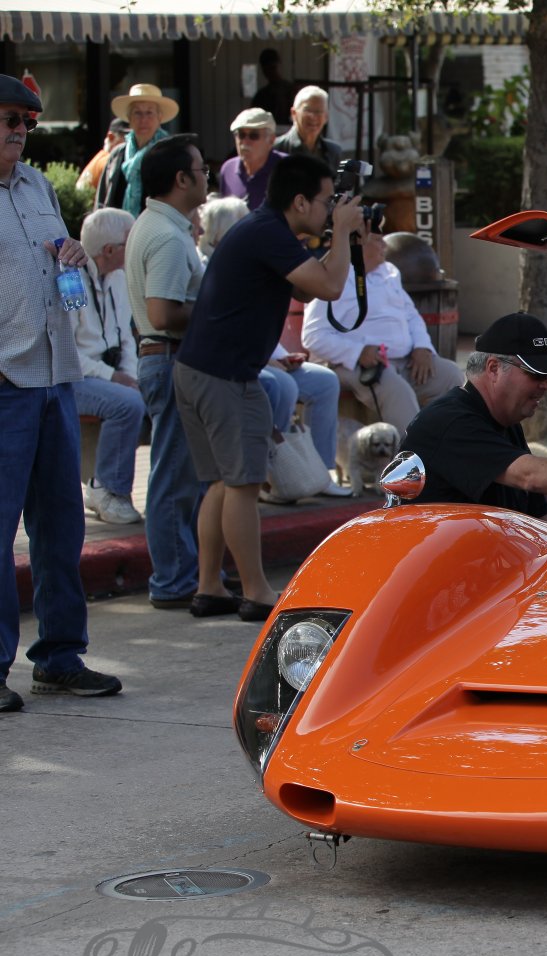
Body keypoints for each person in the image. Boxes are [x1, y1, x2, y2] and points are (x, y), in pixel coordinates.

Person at [172, 154, 362, 621]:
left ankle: (210, 586)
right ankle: (256, 591)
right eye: (326, 201)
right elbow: (330, 287)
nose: (329, 209)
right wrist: (342, 232)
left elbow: (306, 288)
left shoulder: (265, 230)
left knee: (222, 483)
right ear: (299, 202)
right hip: (227, 378)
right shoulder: (268, 233)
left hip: (199, 370)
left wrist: (337, 235)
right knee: (243, 485)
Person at [0, 73, 122, 714]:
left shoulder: (37, 187)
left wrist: (71, 250)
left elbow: (52, 255)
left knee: (60, 529)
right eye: (8, 119)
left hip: (53, 373)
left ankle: (59, 657)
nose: (20, 131)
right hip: (6, 380)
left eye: (27, 121)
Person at [401, 313, 547, 516]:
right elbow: (530, 476)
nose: (546, 385)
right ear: (494, 369)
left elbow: (540, 517)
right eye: (537, 374)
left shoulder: (507, 422)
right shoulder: (449, 422)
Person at [197, 195, 346, 495]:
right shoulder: (212, 265)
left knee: (324, 382)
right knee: (281, 386)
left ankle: (319, 472)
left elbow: (295, 297)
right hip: (235, 362)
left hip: (264, 355)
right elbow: (225, 328)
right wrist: (268, 359)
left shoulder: (257, 258)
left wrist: (282, 355)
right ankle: (272, 475)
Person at [126, 135, 210, 611]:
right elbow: (162, 313)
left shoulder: (161, 226)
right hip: (169, 357)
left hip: (165, 358)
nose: (206, 177)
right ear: (181, 179)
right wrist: (215, 308)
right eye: (201, 170)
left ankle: (185, 573)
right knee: (174, 477)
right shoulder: (166, 235)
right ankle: (174, 578)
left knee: (179, 474)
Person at [302, 217, 466, 431]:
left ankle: (451, 443)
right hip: (356, 365)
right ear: (358, 243)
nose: (385, 246)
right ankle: (413, 450)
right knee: (396, 390)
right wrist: (359, 352)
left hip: (406, 361)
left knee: (451, 375)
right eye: (378, 240)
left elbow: (411, 316)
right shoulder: (334, 278)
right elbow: (312, 336)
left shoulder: (389, 272)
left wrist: (422, 347)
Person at [72, 207, 146, 525]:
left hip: (107, 375)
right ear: (110, 250)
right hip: (76, 377)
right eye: (131, 242)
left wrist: (129, 375)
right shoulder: (70, 280)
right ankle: (107, 490)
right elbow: (67, 352)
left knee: (155, 391)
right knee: (128, 404)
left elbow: (126, 339)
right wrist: (113, 376)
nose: (136, 247)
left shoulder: (119, 277)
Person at [95, 83, 178, 217]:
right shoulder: (117, 154)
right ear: (129, 118)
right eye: (137, 113)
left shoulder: (171, 154)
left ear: (160, 117)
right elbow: (101, 201)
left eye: (149, 113)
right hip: (118, 229)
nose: (143, 119)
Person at [219, 108, 286, 211]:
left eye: (253, 135)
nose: (245, 141)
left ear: (271, 140)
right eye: (241, 135)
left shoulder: (287, 169)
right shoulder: (228, 169)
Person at [274, 85, 343, 173]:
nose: (313, 117)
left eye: (318, 112)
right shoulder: (276, 149)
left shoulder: (333, 152)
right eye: (307, 110)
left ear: (326, 117)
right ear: (294, 113)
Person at [76, 117, 129, 192]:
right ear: (111, 137)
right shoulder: (108, 162)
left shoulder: (101, 157)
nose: (131, 143)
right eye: (127, 139)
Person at [251, 48, 295, 127]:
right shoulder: (261, 96)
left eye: (273, 68)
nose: (271, 72)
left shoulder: (291, 90)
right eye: (267, 69)